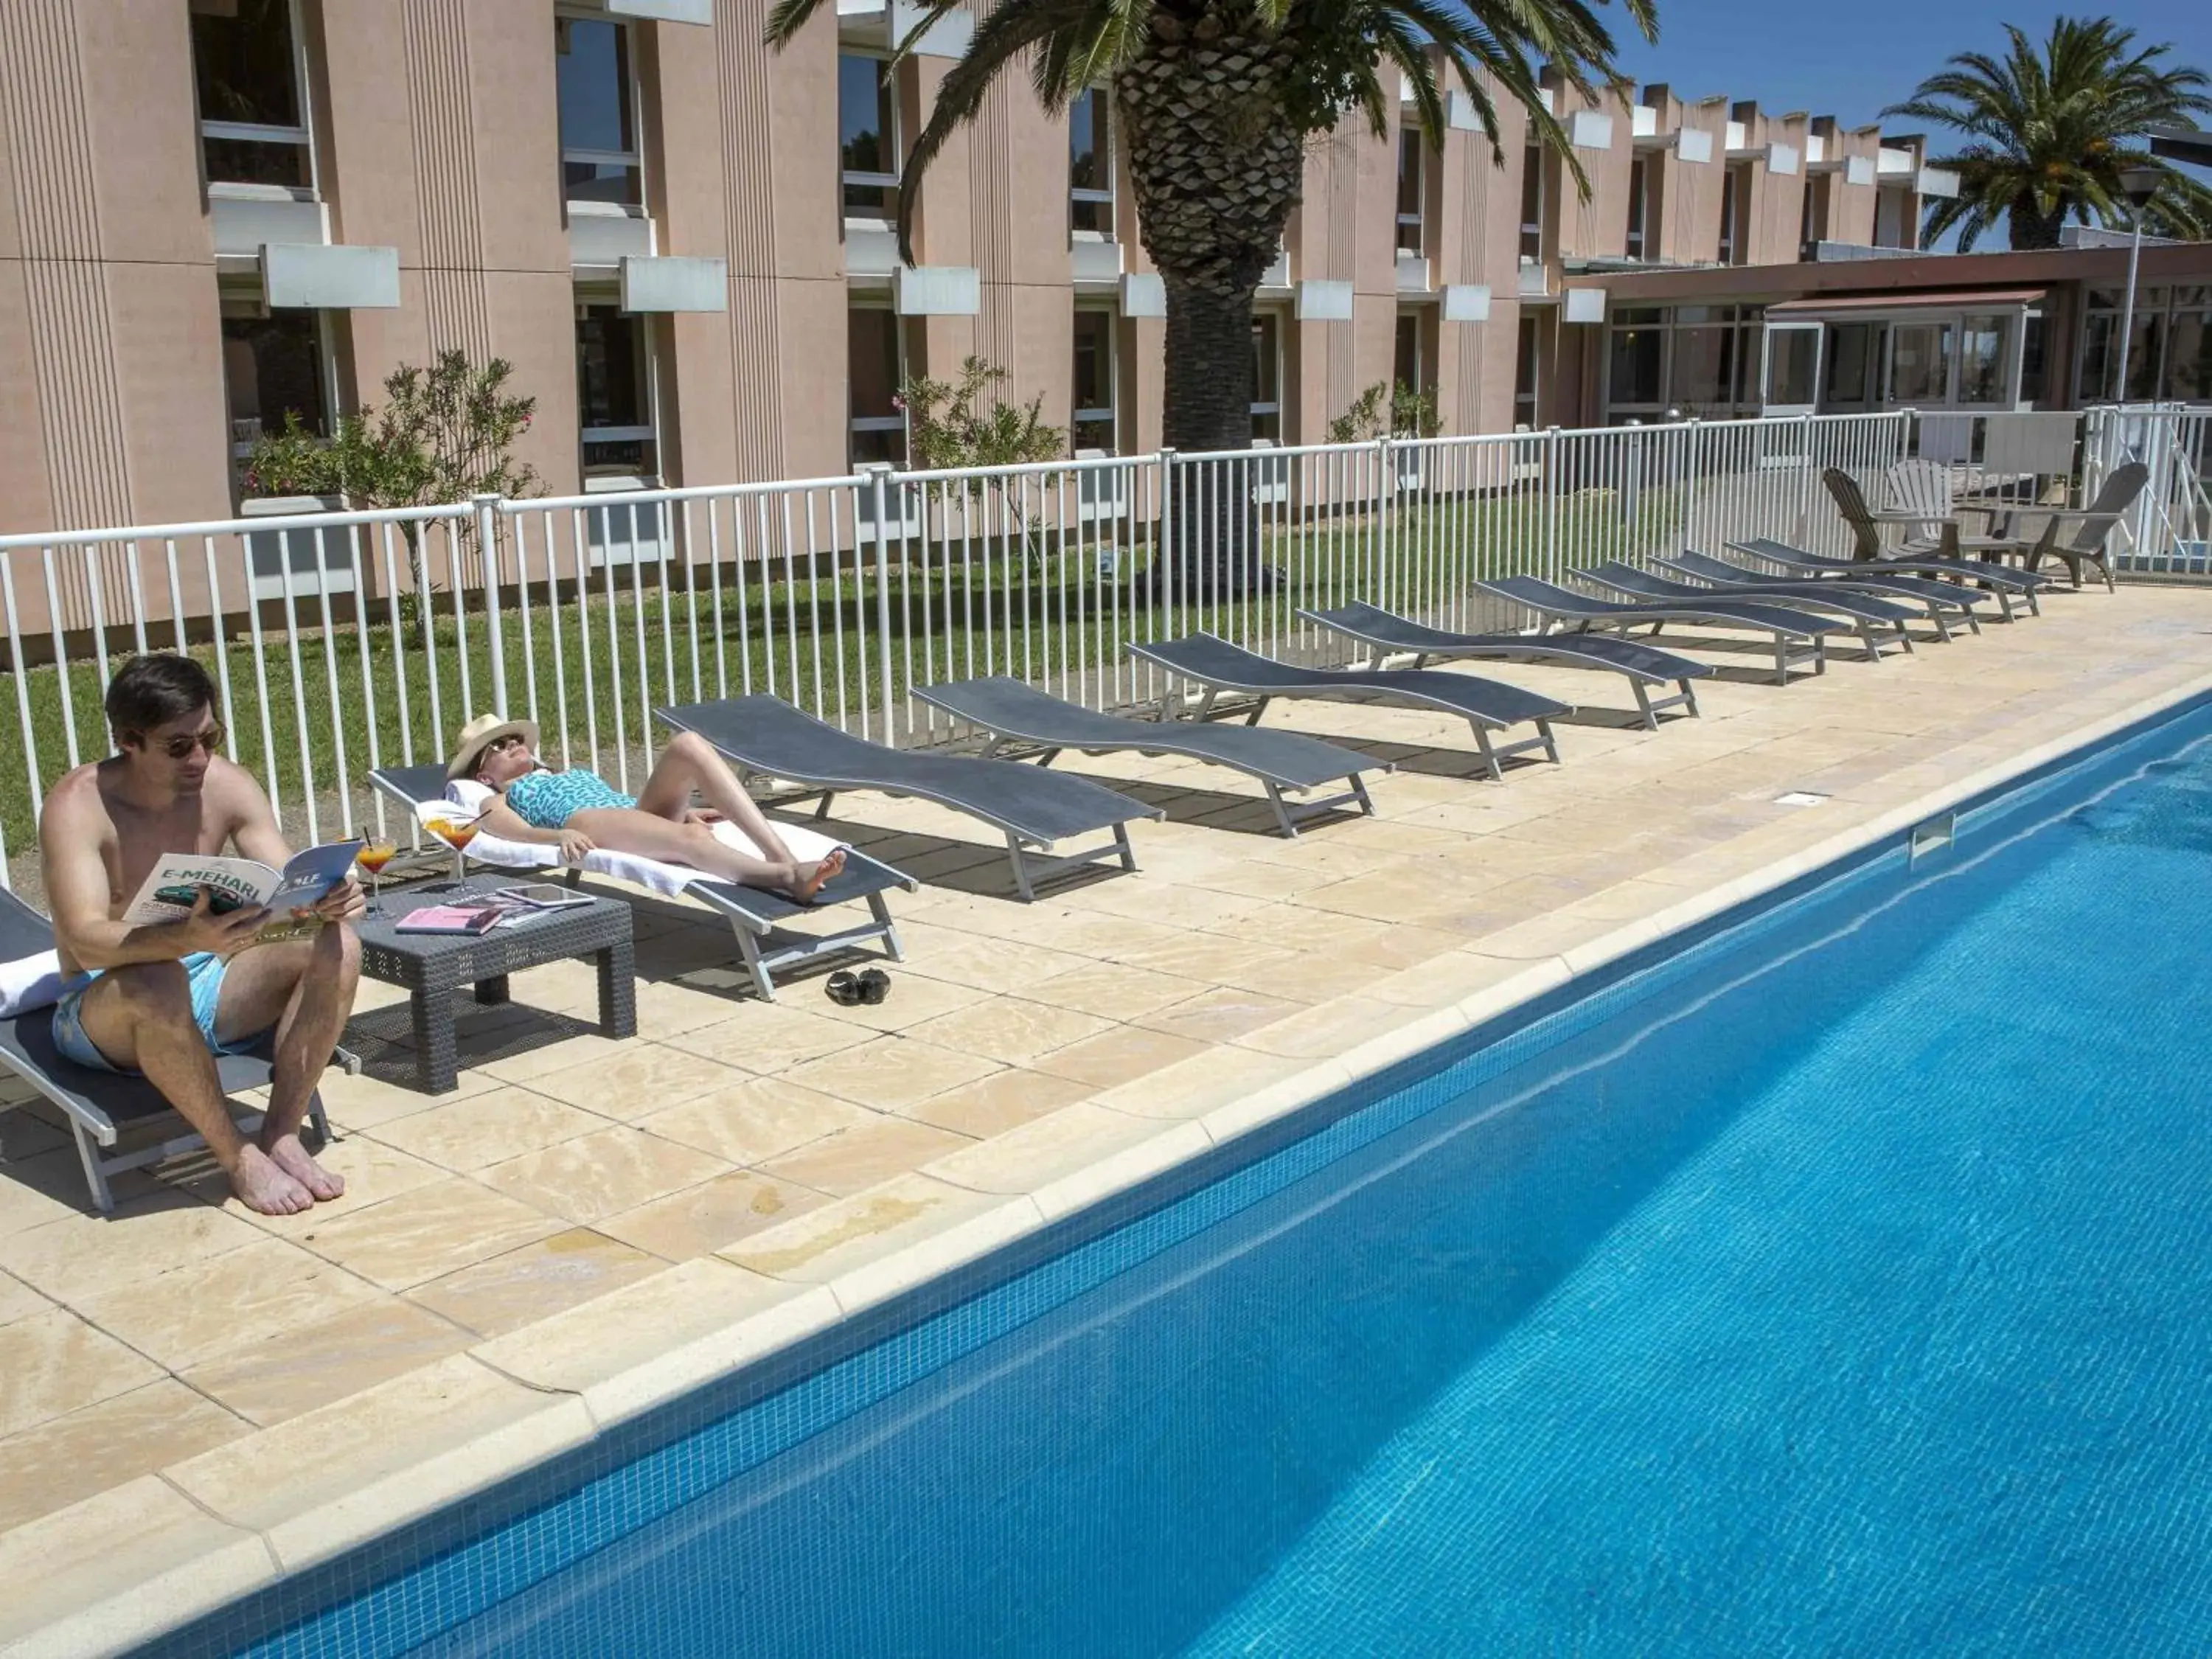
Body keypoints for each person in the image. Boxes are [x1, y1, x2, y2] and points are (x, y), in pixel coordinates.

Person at [40, 654, 364, 1216]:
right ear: (128, 740)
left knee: (339, 943)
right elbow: (85, 939)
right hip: (104, 1003)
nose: (200, 757)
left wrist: (330, 898)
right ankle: (236, 1157)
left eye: (210, 737)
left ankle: (281, 1132)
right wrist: (185, 941)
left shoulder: (226, 786)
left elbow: (292, 885)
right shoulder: (78, 807)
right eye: (179, 746)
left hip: (210, 979)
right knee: (157, 980)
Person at [445, 714, 846, 901]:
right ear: (483, 774)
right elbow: (513, 832)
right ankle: (786, 876)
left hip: (629, 813)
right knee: (690, 839)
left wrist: (681, 810)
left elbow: (621, 805)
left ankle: (780, 854)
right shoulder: (496, 798)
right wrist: (560, 835)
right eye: (497, 746)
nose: (513, 744)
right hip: (588, 825)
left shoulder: (559, 773)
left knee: (687, 743)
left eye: (515, 738)